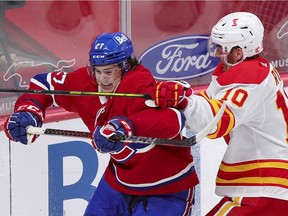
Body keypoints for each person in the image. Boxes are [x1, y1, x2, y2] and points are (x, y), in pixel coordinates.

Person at [4, 32, 199, 216]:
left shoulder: (140, 85)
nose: (102, 78)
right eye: (97, 71)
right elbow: (44, 84)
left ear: (126, 67)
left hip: (167, 186)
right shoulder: (86, 83)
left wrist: (126, 126)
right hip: (121, 180)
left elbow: (173, 120)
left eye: (109, 71)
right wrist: (29, 111)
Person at [152, 12, 288, 215]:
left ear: (240, 52)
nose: (216, 53)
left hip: (266, 187)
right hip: (266, 185)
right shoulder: (248, 71)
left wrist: (184, 101)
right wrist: (183, 100)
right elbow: (208, 106)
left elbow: (216, 123)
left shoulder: (249, 79)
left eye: (221, 49)